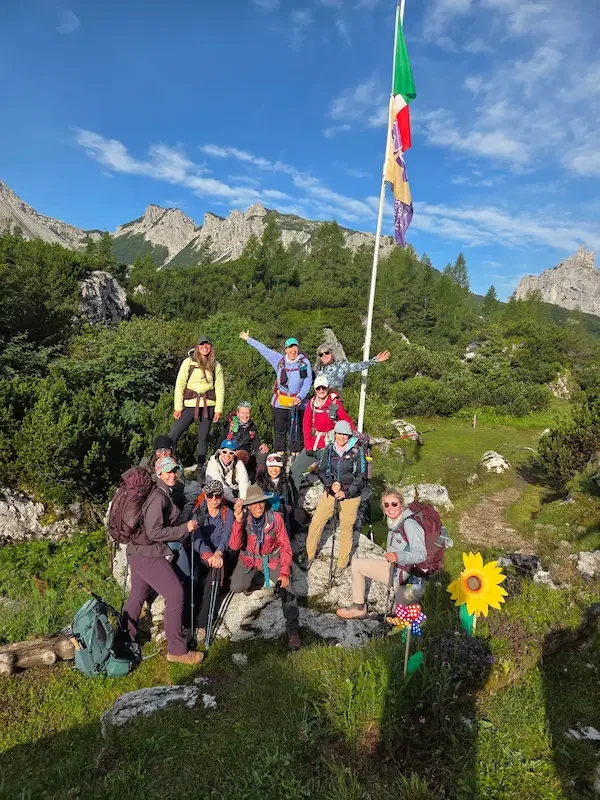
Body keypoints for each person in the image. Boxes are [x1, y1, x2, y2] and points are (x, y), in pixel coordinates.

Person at [123, 456, 204, 665]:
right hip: (148, 554)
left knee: (137, 595)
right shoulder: (159, 497)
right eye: (167, 471)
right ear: (159, 473)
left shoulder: (159, 492)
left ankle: (126, 638)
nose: (172, 474)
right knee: (176, 593)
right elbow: (154, 531)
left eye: (174, 470)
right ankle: (177, 650)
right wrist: (184, 529)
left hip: (137, 552)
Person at [335, 487, 427, 619]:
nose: (391, 507)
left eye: (394, 503)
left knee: (402, 619)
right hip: (394, 569)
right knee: (357, 564)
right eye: (386, 505)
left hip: (407, 576)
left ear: (401, 505)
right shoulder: (394, 523)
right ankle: (359, 608)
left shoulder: (410, 524)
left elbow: (421, 554)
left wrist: (398, 556)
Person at [230, 485, 301, 650]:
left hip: (272, 560)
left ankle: (293, 631)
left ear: (264, 502)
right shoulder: (243, 519)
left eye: (260, 502)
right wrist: (238, 521)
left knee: (287, 588)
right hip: (249, 560)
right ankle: (254, 580)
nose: (257, 506)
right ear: (248, 505)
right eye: (253, 503)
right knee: (237, 586)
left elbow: (285, 547)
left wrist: (284, 572)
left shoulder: (275, 518)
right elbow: (234, 546)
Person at [305, 420, 366, 578]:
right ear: (335, 434)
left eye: (345, 434)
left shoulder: (357, 451)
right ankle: (309, 555)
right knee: (317, 521)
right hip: (331, 491)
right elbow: (322, 470)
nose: (342, 437)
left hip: (350, 495)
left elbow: (361, 477)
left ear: (349, 435)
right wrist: (331, 484)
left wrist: (346, 492)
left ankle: (341, 563)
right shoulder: (329, 449)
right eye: (339, 434)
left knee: (346, 528)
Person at [239, 331, 311, 456]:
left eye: (295, 347)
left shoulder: (303, 363)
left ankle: (294, 459)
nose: (293, 350)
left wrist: (300, 397)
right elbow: (263, 349)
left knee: (296, 432)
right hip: (280, 403)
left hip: (298, 403)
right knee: (280, 432)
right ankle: (280, 458)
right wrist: (248, 339)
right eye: (290, 348)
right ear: (285, 349)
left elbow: (307, 381)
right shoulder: (279, 361)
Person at [169, 336, 224, 482]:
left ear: (211, 347)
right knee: (173, 435)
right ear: (197, 346)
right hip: (189, 405)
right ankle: (169, 463)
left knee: (203, 438)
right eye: (202, 344)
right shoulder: (188, 362)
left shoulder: (215, 365)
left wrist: (219, 409)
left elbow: (220, 387)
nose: (205, 347)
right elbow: (180, 384)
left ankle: (200, 468)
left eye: (208, 345)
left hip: (208, 405)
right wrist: (178, 407)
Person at [290, 375, 355, 492]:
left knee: (331, 473)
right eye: (318, 388)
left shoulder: (335, 404)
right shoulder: (311, 404)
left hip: (329, 444)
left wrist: (355, 436)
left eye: (323, 388)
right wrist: (308, 446)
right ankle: (294, 500)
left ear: (328, 388)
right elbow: (306, 426)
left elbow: (346, 421)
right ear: (315, 390)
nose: (321, 391)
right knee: (295, 469)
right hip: (314, 444)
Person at [190, 479, 234, 642]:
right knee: (191, 580)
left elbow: (227, 536)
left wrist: (218, 553)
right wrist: (207, 553)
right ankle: (188, 623)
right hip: (201, 555)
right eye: (210, 495)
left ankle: (202, 624)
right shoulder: (198, 512)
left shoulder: (227, 513)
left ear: (222, 496)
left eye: (218, 495)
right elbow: (196, 536)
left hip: (219, 556)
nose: (214, 499)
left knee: (211, 581)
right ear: (205, 496)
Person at [315, 344, 391, 393]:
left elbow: (358, 366)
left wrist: (375, 360)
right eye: (321, 354)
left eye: (327, 353)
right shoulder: (317, 369)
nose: (324, 355)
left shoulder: (341, 366)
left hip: (335, 400)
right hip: (320, 401)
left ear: (331, 353)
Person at [223, 401, 269, 480]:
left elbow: (256, 444)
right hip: (232, 451)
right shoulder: (231, 424)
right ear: (237, 413)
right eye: (242, 413)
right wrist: (229, 431)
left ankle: (259, 478)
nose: (245, 416)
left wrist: (263, 446)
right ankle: (234, 478)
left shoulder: (252, 426)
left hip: (247, 452)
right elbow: (222, 442)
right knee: (240, 455)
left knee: (263, 452)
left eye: (247, 413)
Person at [139, 434, 186, 511]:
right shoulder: (146, 461)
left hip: (170, 492)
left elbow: (180, 483)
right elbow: (140, 478)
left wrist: (168, 483)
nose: (163, 453)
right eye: (159, 450)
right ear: (155, 451)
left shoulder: (175, 462)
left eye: (167, 450)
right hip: (150, 491)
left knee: (179, 498)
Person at [257, 452, 299, 536]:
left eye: (277, 466)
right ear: (267, 467)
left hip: (283, 513)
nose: (274, 470)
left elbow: (292, 497)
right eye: (271, 466)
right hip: (266, 513)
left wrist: (290, 506)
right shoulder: (260, 481)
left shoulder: (286, 482)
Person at [205, 440, 250, 505]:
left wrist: (242, 501)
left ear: (235, 454)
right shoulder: (213, 463)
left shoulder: (239, 463)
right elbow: (218, 484)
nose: (227, 455)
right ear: (220, 452)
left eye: (231, 453)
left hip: (234, 493)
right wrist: (232, 499)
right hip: (217, 494)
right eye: (224, 452)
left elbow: (244, 483)